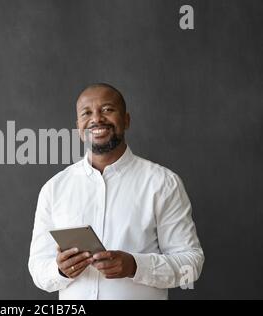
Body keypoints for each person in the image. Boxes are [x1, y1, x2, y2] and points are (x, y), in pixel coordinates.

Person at [28, 83, 204, 299]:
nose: (97, 119)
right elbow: (37, 269)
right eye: (87, 113)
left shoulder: (163, 183)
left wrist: (135, 266)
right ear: (79, 127)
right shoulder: (54, 189)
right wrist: (59, 270)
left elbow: (191, 264)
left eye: (107, 109)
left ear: (126, 120)